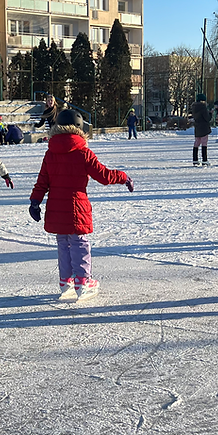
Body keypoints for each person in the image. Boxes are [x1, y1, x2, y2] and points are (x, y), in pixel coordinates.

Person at [28, 109, 134, 302]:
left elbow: (42, 181)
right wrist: (124, 177)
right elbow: (104, 176)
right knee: (79, 243)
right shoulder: (83, 152)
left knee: (63, 242)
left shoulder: (50, 153)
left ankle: (65, 281)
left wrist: (35, 202)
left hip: (56, 208)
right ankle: (83, 282)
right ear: (79, 129)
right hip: (76, 207)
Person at [191, 93, 212, 167]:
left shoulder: (194, 107)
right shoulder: (203, 107)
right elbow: (207, 118)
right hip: (204, 127)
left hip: (197, 126)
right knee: (204, 143)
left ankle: (195, 159)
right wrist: (210, 113)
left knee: (197, 142)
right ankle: (204, 160)